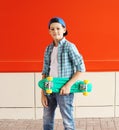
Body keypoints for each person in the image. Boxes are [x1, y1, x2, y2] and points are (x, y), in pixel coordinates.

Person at [41, 17, 86, 130]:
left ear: (64, 29)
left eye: (58, 28)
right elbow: (45, 71)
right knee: (47, 120)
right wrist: (42, 93)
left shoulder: (70, 47)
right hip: (49, 89)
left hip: (64, 90)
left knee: (67, 121)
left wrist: (68, 85)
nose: (55, 31)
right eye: (52, 29)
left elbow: (81, 69)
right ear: (49, 31)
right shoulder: (48, 49)